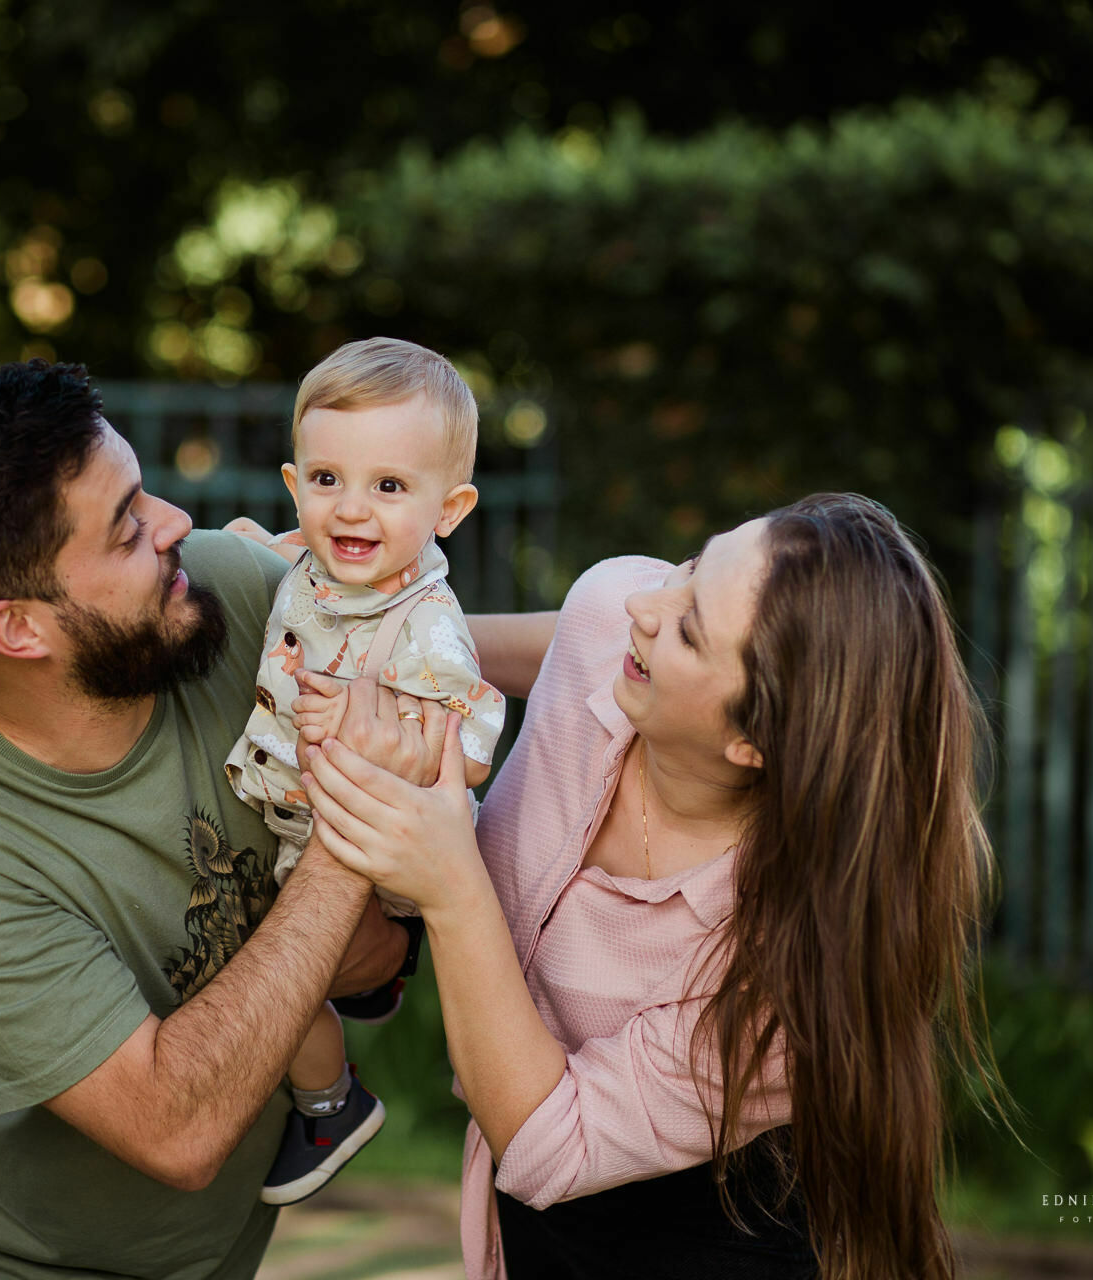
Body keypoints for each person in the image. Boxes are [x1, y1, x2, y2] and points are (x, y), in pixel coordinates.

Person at [0, 360, 473, 1279]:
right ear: (19, 630)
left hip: (231, 1254)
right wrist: (349, 838)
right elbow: (177, 1127)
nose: (178, 523)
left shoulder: (217, 589)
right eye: (128, 528)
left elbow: (429, 658)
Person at [297, 494, 995, 1280]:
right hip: (527, 1229)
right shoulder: (617, 624)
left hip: (702, 1240)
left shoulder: (774, 973)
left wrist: (452, 886)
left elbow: (547, 1144)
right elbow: (568, 636)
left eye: (691, 625)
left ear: (753, 740)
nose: (644, 603)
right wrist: (357, 617)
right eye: (690, 566)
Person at [224, 338, 508, 1205]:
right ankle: (374, 981)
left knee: (260, 978)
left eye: (389, 487)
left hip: (354, 838)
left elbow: (467, 747)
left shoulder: (428, 632)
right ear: (294, 483)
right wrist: (242, 542)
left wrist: (374, 740)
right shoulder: (322, 561)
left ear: (449, 508)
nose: (351, 511)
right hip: (293, 808)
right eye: (326, 481)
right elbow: (278, 554)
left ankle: (331, 1104)